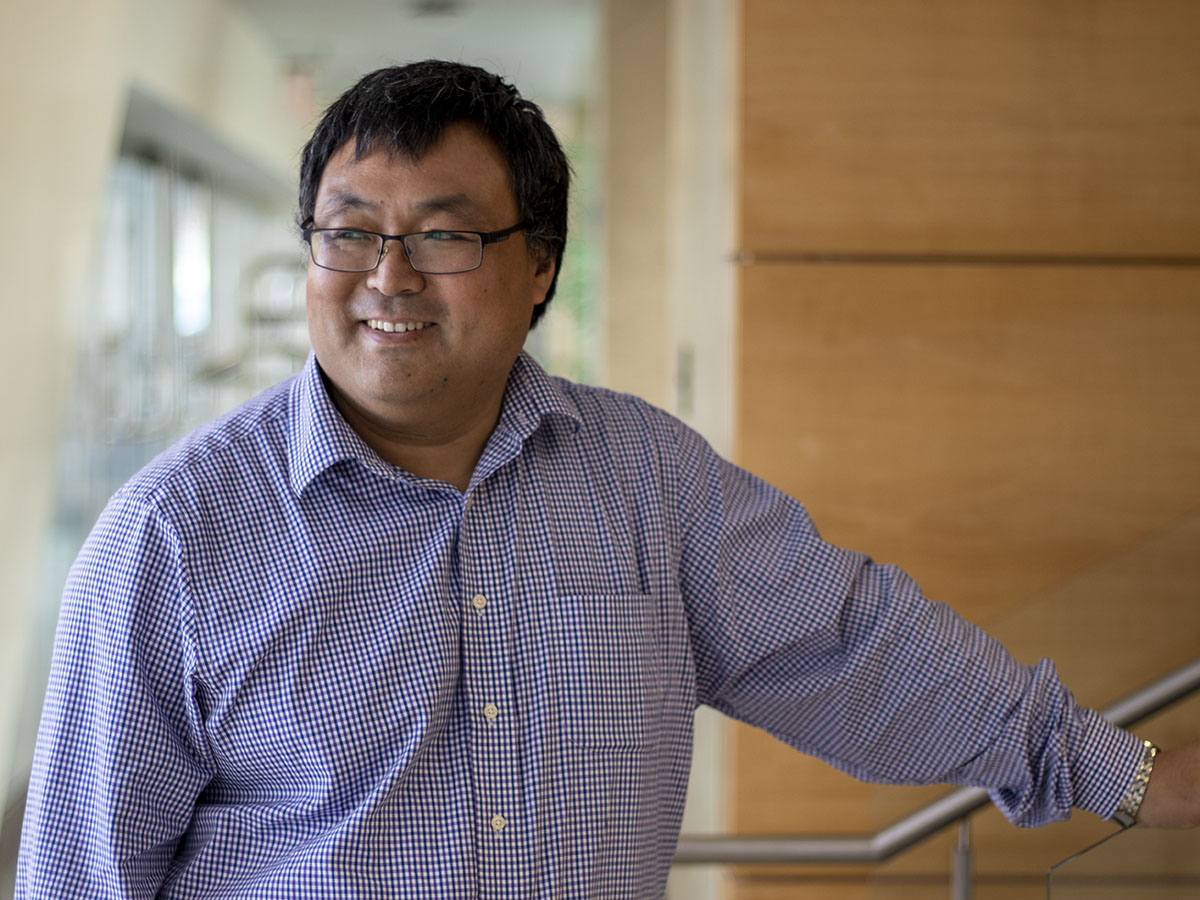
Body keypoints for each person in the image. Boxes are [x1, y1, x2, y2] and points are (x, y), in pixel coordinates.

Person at [16, 59, 1200, 899]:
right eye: (349, 231)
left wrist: (1124, 772)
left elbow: (855, 646)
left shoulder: (646, 482)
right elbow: (83, 874)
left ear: (539, 265)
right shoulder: (171, 537)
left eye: (443, 234)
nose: (388, 275)